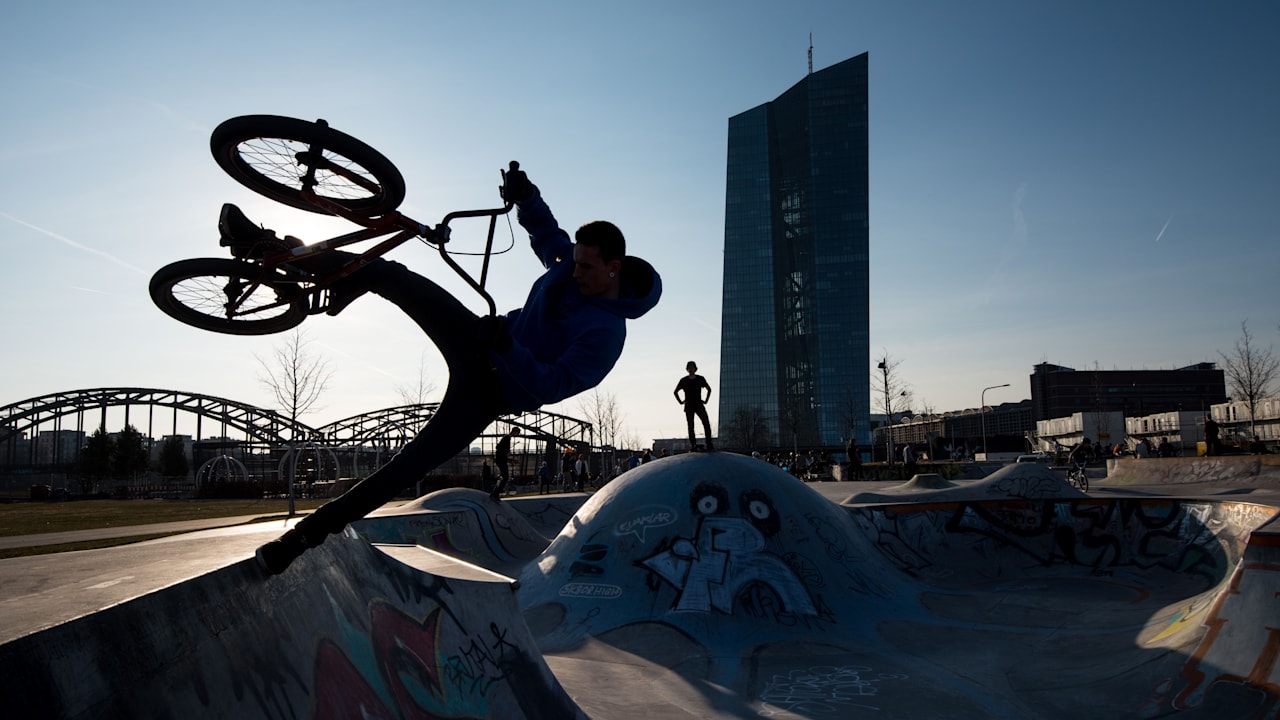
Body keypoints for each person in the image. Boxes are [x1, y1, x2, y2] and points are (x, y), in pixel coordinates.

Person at [254, 163, 662, 574]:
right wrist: (526, 196)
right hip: (478, 340)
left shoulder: (605, 336)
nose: (575, 273)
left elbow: (549, 385)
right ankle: (272, 250)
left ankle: (294, 542)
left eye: (586, 268)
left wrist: (509, 348)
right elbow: (546, 234)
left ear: (614, 267)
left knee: (404, 469)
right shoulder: (570, 268)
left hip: (489, 394)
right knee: (392, 276)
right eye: (574, 262)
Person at [673, 361, 714, 451]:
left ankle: (709, 443)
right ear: (687, 369)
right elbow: (675, 392)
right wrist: (680, 402)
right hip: (689, 405)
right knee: (691, 425)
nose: (691, 369)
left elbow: (709, 389)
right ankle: (693, 444)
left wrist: (706, 400)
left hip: (699, 404)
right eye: (689, 368)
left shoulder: (700, 379)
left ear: (696, 369)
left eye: (692, 368)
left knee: (706, 423)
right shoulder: (684, 380)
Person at [490, 426, 521, 501]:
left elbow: (500, 448)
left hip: (501, 460)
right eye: (517, 433)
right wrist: (507, 454)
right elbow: (499, 448)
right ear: (515, 432)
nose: (517, 435)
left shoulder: (507, 438)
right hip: (500, 460)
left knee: (503, 476)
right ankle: (495, 493)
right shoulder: (507, 438)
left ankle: (495, 492)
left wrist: (510, 459)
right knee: (505, 477)